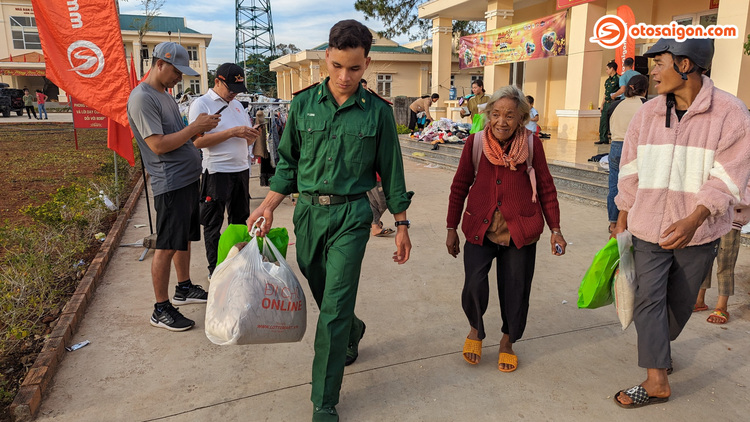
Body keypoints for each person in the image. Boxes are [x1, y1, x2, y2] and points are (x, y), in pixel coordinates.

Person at [246, 20, 413, 422]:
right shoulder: (302, 105)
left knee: (333, 307)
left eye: (354, 69)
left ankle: (324, 400)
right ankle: (352, 330)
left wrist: (402, 224)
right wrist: (268, 205)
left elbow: (392, 171)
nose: (344, 77)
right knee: (319, 283)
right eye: (337, 66)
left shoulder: (377, 112)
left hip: (353, 215)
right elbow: (287, 164)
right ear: (327, 58)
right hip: (308, 214)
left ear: (367, 63)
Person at [612, 38, 750, 408]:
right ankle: (656, 379)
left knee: (678, 306)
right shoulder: (648, 113)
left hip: (699, 231)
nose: (651, 72)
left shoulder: (731, 113)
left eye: (659, 63)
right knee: (647, 298)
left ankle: (659, 349)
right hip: (646, 226)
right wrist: (623, 213)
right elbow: (630, 168)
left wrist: (695, 218)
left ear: (686, 65)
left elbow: (729, 177)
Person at [446, 85, 565, 373]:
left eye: (510, 115)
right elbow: (459, 186)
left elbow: (547, 189)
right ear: (488, 116)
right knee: (473, 283)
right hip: (480, 226)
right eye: (496, 114)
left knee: (516, 289)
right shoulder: (474, 144)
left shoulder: (533, 145)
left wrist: (555, 229)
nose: (502, 121)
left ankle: (508, 341)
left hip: (520, 228)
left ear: (522, 118)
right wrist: (451, 227)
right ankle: (475, 329)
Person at [127, 42, 220, 331]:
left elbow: (178, 135)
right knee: (166, 245)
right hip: (170, 183)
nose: (180, 77)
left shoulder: (164, 95)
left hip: (187, 179)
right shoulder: (142, 98)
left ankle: (183, 288)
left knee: (183, 238)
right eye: (177, 71)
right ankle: (160, 307)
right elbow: (157, 145)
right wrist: (194, 128)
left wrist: (199, 129)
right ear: (159, 64)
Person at [188, 63, 260, 279]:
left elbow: (241, 135)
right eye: (230, 89)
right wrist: (232, 133)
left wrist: (249, 135)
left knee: (240, 220)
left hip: (241, 169)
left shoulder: (236, 105)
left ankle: (239, 263)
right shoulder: (202, 104)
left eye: (237, 90)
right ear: (217, 81)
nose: (233, 94)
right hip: (217, 171)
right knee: (213, 222)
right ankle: (216, 269)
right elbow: (197, 142)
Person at [693, 187, 750, 324]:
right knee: (705, 260)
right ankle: (699, 300)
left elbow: (746, 198)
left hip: (731, 222)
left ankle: (721, 306)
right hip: (710, 220)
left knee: (725, 264)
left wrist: (720, 198)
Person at [605, 74, 648, 234]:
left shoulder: (616, 104)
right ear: (644, 89)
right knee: (633, 185)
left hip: (615, 147)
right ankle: (630, 221)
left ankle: (613, 222)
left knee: (614, 186)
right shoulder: (645, 105)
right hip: (634, 148)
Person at [596, 61, 619, 144]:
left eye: (607, 69)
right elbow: (605, 93)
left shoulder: (618, 79)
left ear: (612, 69)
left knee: (613, 121)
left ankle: (615, 138)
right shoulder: (607, 81)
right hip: (607, 103)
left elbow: (621, 90)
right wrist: (602, 104)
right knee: (603, 121)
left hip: (614, 102)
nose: (606, 71)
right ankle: (603, 138)